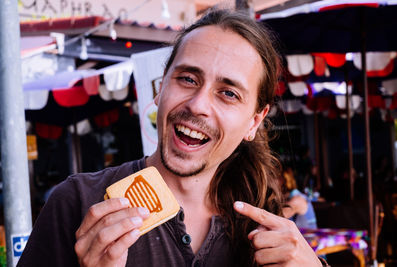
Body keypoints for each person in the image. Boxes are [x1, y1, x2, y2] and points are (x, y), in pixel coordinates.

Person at [18, 9, 326, 267]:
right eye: (188, 79)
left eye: (228, 93)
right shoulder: (77, 202)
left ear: (254, 122)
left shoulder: (263, 222)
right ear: (161, 86)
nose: (197, 104)